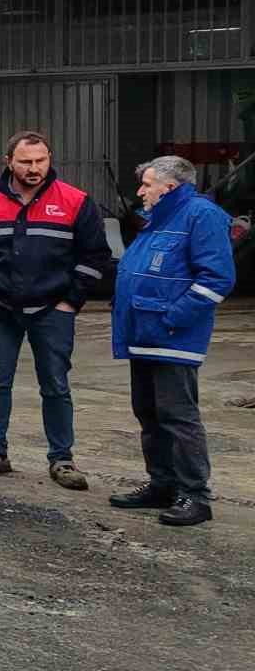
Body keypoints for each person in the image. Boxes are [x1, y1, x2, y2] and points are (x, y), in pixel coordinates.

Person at [0, 131, 112, 489]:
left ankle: (62, 459)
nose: (35, 168)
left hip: (53, 309)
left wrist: (71, 300)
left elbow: (95, 256)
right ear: (8, 161)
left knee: (55, 383)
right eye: (26, 161)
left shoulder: (75, 201)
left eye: (41, 161)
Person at [109, 155, 234, 528]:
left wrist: (172, 318)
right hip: (144, 335)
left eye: (147, 184)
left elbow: (217, 278)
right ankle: (163, 484)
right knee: (149, 413)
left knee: (178, 416)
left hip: (170, 338)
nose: (140, 191)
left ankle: (194, 495)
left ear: (170, 187)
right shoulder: (158, 219)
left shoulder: (201, 216)